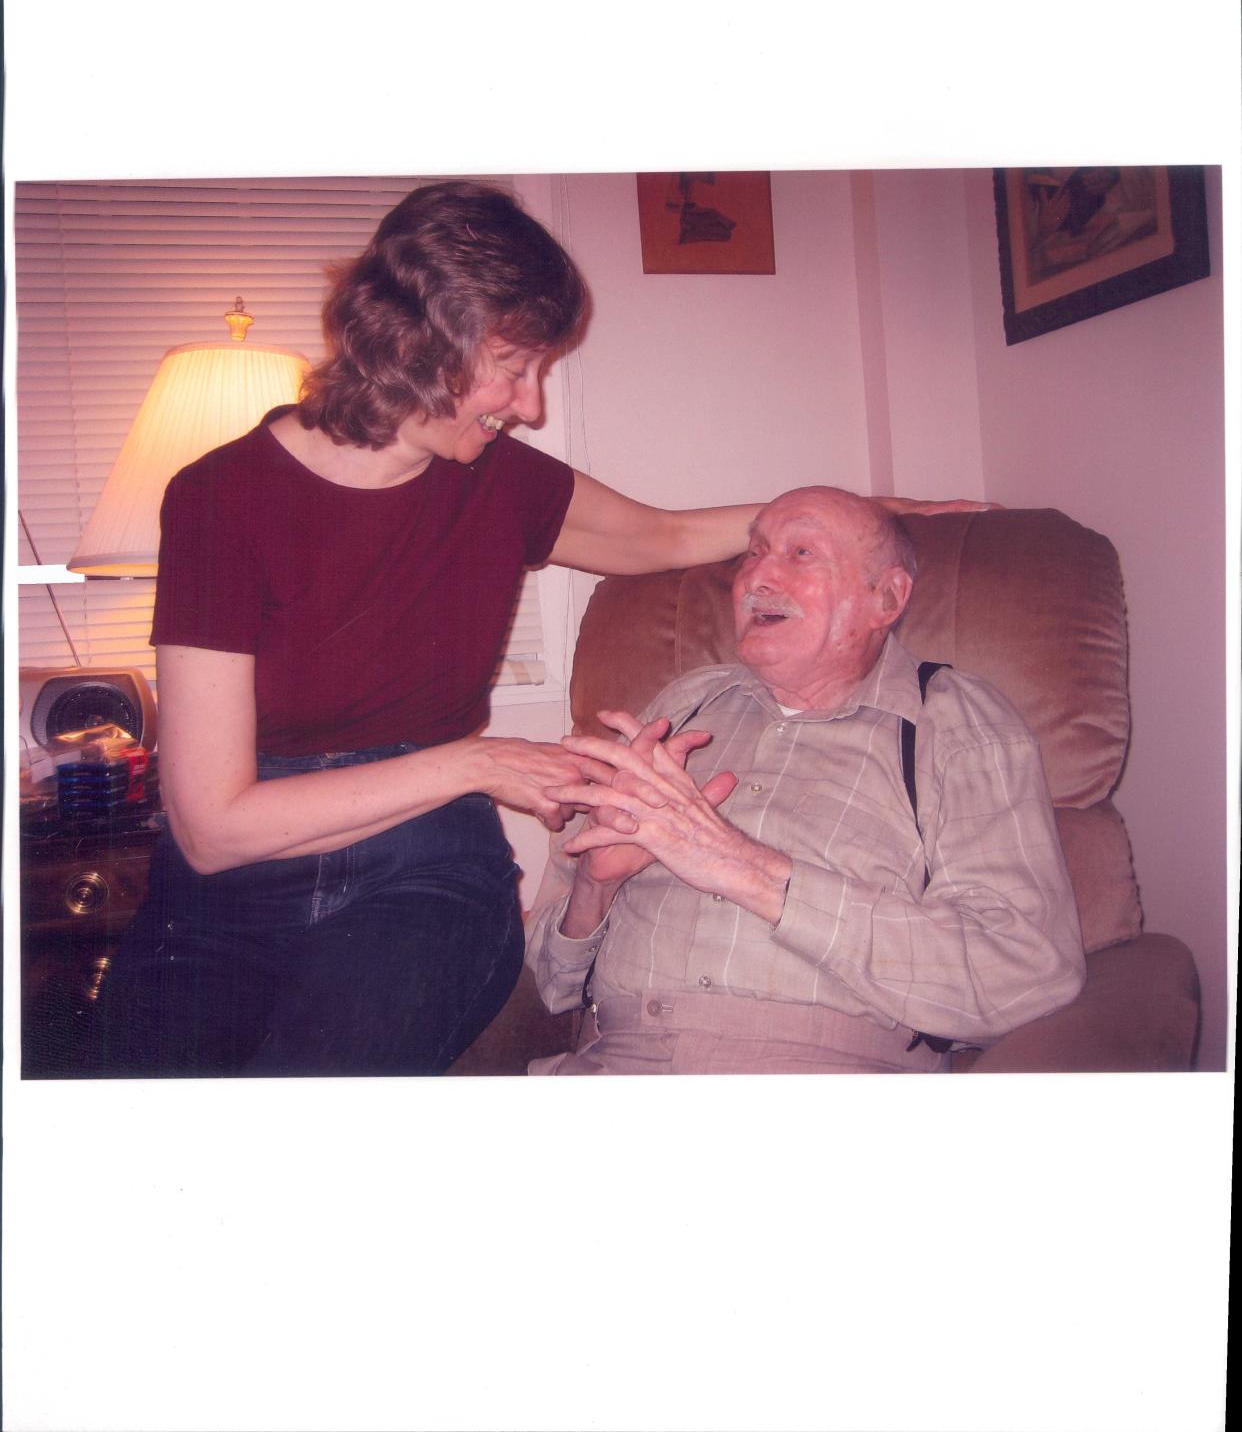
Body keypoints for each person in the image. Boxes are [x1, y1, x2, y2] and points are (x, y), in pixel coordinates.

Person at [86, 183, 982, 1079]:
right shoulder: (219, 499)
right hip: (232, 886)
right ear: (415, 343)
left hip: (423, 873)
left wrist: (860, 513)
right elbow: (212, 829)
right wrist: (478, 763)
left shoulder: (497, 483)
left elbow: (663, 534)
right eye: (513, 365)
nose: (531, 402)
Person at [527, 486, 1086, 1074]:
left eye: (801, 554)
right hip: (610, 1065)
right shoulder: (682, 705)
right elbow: (554, 987)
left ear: (887, 598)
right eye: (753, 552)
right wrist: (595, 888)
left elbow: (1022, 972)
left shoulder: (957, 719)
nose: (755, 577)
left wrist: (741, 866)